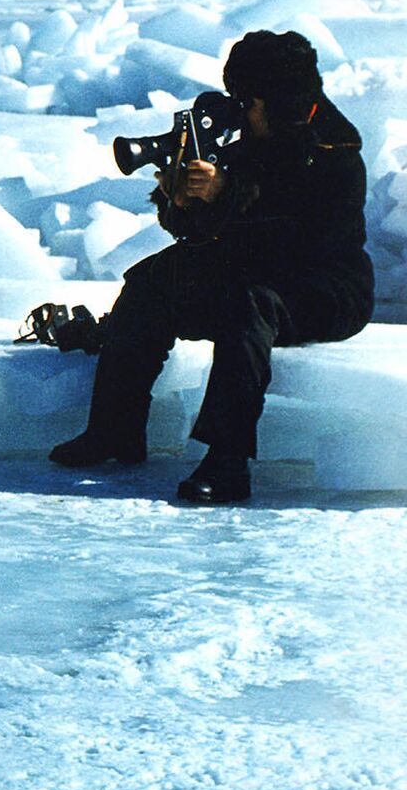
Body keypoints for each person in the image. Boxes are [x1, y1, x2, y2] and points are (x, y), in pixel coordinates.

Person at [49, 29, 373, 503]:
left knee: (249, 305)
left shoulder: (336, 155)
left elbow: (302, 243)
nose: (240, 110)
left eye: (248, 100)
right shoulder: (253, 142)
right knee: (153, 279)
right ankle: (114, 430)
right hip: (256, 273)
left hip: (329, 289)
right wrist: (180, 199)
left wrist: (225, 194)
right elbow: (208, 236)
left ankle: (227, 463)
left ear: (277, 101)